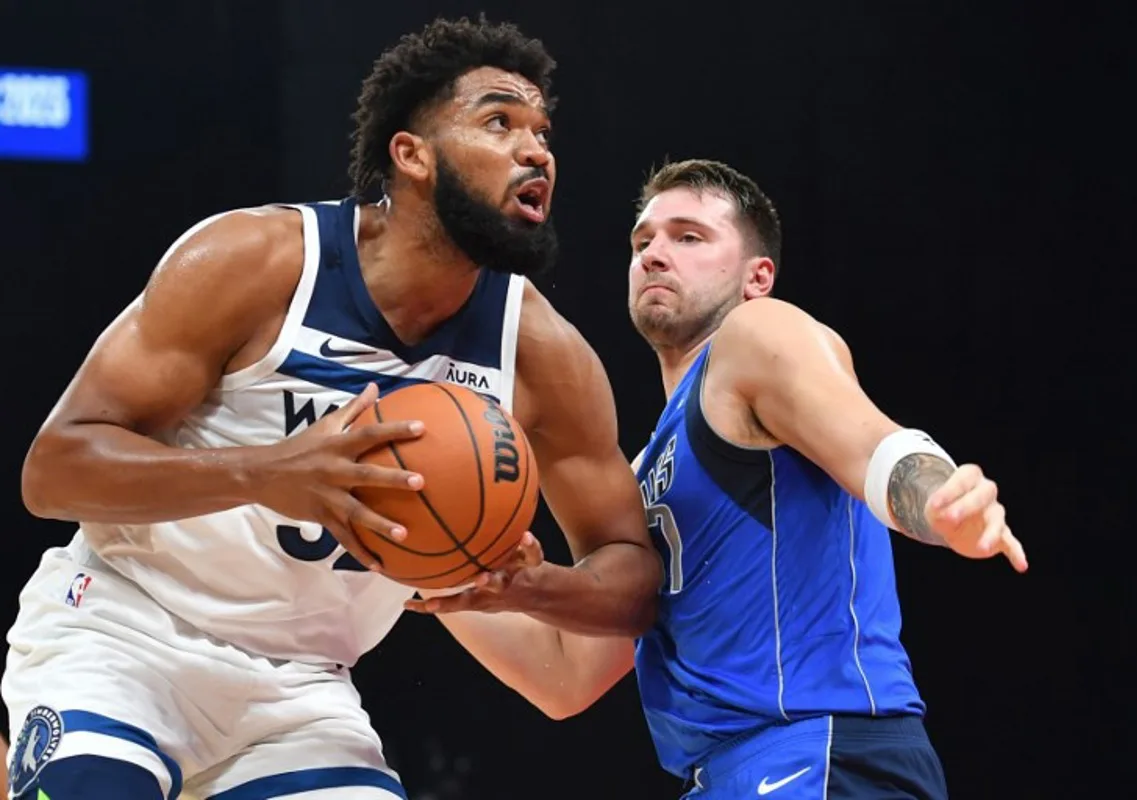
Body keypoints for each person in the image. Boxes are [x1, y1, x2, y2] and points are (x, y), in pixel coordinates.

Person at [3, 16, 661, 800]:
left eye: (543, 131)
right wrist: (263, 472)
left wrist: (518, 587)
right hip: (122, 635)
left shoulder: (544, 355)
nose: (536, 150)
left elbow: (634, 580)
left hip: (301, 691)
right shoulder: (257, 261)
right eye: (499, 121)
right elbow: (55, 471)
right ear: (410, 155)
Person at [406, 159, 1027, 799]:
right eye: (642, 241)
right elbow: (565, 677)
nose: (653, 254)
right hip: (730, 774)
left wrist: (937, 499)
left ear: (758, 276)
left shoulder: (756, 334)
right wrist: (423, 565)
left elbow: (872, 442)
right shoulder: (644, 470)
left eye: (689, 237)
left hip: (817, 750)